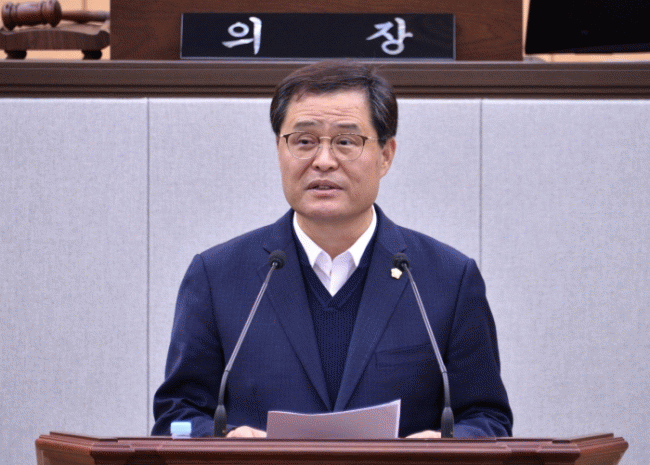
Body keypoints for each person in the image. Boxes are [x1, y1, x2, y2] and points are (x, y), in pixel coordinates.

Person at [151, 60, 513, 439]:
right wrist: (223, 442)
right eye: (304, 141)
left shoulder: (448, 280)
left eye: (346, 142)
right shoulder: (217, 277)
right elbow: (176, 417)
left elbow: (487, 418)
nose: (323, 162)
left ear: (386, 155)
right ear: (279, 149)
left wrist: (446, 446)